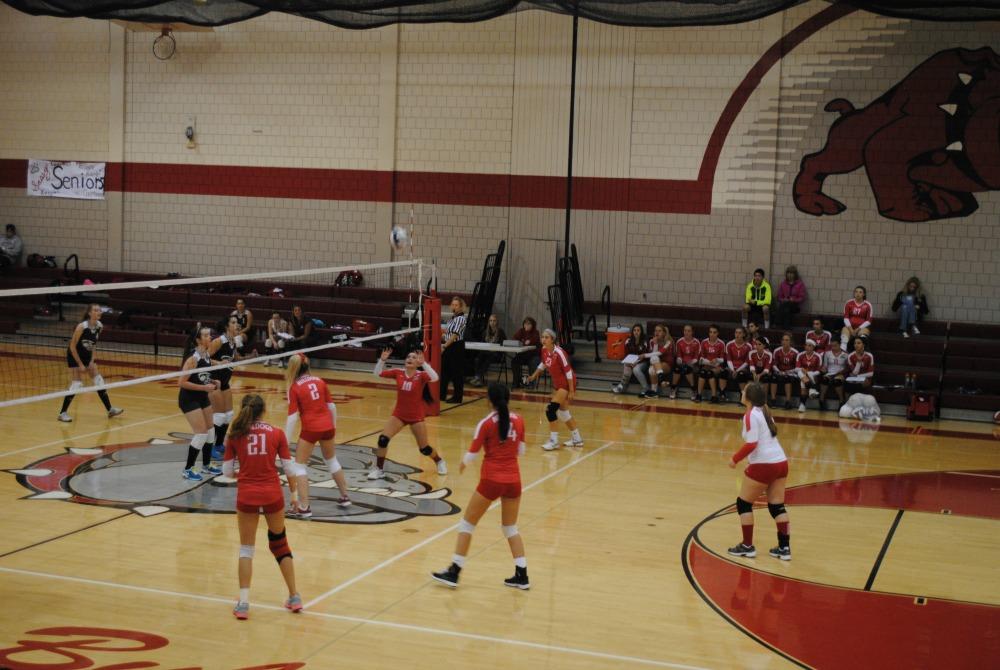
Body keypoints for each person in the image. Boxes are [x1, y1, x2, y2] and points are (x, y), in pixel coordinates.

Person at [431, 383, 529, 590]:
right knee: (510, 528)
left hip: (492, 480)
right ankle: (522, 574)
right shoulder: (519, 420)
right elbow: (521, 451)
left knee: (467, 525)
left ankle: (454, 571)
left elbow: (472, 454)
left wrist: (463, 464)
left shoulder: (486, 423)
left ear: (489, 400)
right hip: (514, 481)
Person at [222, 394, 302, 619]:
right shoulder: (277, 433)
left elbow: (227, 473)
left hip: (247, 495)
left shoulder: (235, 435)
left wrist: (244, 474)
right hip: (272, 495)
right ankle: (294, 596)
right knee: (280, 544)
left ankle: (244, 604)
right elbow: (289, 468)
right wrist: (294, 495)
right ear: (263, 410)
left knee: (246, 549)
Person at [726, 382, 791, 561]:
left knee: (744, 504)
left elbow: (752, 443)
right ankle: (784, 548)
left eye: (744, 390)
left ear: (749, 397)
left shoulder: (750, 415)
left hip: (765, 465)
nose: (741, 391)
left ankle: (747, 546)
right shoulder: (765, 411)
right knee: (777, 506)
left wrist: (735, 459)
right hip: (781, 462)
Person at [284, 353, 352, 517]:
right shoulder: (320, 381)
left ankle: (305, 507)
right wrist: (333, 427)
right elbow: (332, 407)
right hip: (327, 426)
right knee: (331, 460)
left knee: (299, 466)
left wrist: (285, 441)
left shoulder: (295, 387)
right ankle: (345, 496)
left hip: (311, 428)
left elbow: (292, 418)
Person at [371, 347, 447, 478]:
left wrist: (424, 363)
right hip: (399, 415)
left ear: (417, 363)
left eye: (413, 357)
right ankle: (379, 469)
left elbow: (435, 378)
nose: (410, 359)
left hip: (416, 416)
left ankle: (439, 461)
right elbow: (377, 374)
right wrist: (382, 360)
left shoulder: (421, 375)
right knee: (383, 440)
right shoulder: (398, 372)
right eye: (408, 357)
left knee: (424, 449)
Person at [57, 304, 124, 422]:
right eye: (96, 310)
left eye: (99, 310)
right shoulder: (81, 327)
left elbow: (93, 345)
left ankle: (110, 410)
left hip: (87, 355)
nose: (99, 312)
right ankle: (62, 413)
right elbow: (72, 347)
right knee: (77, 384)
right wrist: (81, 364)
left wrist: (92, 360)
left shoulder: (99, 326)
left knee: (99, 381)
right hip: (74, 355)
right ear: (89, 313)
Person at [525, 329, 582, 450]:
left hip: (566, 383)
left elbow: (568, 372)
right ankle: (577, 439)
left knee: (550, 410)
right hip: (558, 384)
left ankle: (554, 441)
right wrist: (534, 375)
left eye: (546, 337)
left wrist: (572, 390)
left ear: (552, 340)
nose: (543, 340)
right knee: (563, 413)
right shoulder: (544, 350)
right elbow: (544, 363)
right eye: (542, 337)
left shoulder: (560, 353)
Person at [178, 324, 221, 481]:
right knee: (201, 433)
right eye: (206, 335)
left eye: (209, 335)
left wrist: (214, 382)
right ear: (198, 340)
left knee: (211, 431)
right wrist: (204, 388)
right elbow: (181, 382)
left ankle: (206, 465)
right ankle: (188, 469)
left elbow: (203, 377)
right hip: (188, 399)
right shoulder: (193, 359)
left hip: (202, 397)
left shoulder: (207, 355)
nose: (210, 337)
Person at [208, 317, 256, 460]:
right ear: (226, 327)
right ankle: (208, 447)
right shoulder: (218, 341)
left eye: (238, 323)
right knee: (218, 416)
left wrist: (251, 356)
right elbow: (203, 358)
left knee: (228, 415)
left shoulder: (233, 342)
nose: (237, 325)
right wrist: (218, 363)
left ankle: (218, 444)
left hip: (225, 382)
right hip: (213, 381)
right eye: (233, 323)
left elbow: (236, 359)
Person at [440, 297, 468, 403]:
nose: (454, 307)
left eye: (456, 305)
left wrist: (444, 346)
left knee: (457, 372)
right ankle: (441, 395)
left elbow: (455, 335)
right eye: (453, 304)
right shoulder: (452, 318)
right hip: (449, 345)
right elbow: (447, 334)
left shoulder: (461, 318)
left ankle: (457, 397)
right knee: (444, 371)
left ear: (461, 307)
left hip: (456, 347)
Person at [611, 323, 650, 397]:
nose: (636, 332)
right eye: (634, 330)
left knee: (636, 369)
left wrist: (636, 362)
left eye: (638, 330)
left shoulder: (645, 341)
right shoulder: (628, 341)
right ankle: (622, 386)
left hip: (643, 362)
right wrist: (629, 362)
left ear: (641, 332)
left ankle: (646, 388)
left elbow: (646, 356)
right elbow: (626, 355)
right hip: (632, 361)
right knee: (627, 366)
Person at [470, 314, 507, 387]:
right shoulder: (485, 332)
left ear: (497, 322)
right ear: (488, 322)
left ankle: (478, 377)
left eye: (494, 321)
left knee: (488, 358)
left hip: (497, 354)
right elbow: (482, 344)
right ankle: (478, 378)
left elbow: (504, 344)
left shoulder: (500, 332)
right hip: (486, 353)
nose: (492, 322)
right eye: (490, 321)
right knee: (478, 359)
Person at [670, 324, 701, 400]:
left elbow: (697, 357)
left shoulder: (696, 342)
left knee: (687, 368)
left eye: (688, 331)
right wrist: (679, 360)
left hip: (693, 364)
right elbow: (679, 355)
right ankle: (673, 389)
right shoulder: (679, 342)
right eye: (685, 331)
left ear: (692, 332)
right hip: (682, 364)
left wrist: (691, 362)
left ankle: (694, 390)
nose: (686, 332)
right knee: (677, 368)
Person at [697, 325, 727, 403]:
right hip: (707, 364)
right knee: (703, 372)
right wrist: (706, 361)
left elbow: (722, 359)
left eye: (714, 332)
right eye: (710, 332)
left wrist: (716, 360)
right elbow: (701, 358)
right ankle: (699, 395)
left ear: (718, 333)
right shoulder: (704, 342)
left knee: (710, 373)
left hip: (717, 366)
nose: (712, 334)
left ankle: (714, 396)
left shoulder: (721, 343)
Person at [770, 333, 799, 410]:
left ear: (790, 342)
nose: (784, 342)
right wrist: (779, 371)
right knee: (773, 377)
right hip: (779, 371)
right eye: (783, 340)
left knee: (787, 378)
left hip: (791, 373)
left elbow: (797, 367)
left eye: (787, 340)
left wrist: (787, 372)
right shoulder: (777, 351)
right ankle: (773, 400)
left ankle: (788, 402)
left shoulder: (795, 352)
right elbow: (774, 364)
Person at [511, 317, 541, 389]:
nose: (526, 325)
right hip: (523, 355)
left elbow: (532, 341)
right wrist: (524, 341)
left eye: (529, 324)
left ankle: (531, 383)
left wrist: (523, 341)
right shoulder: (521, 331)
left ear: (533, 325)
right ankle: (516, 382)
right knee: (514, 361)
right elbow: (514, 339)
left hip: (534, 355)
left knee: (533, 363)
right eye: (525, 323)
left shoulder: (536, 332)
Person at [645, 323, 674, 398]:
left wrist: (644, 355)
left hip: (667, 364)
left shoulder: (668, 342)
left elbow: (660, 353)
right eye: (655, 331)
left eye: (659, 331)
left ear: (664, 333)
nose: (657, 333)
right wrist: (655, 344)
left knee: (654, 360)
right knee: (651, 369)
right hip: (656, 363)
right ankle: (655, 391)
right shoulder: (652, 341)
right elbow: (653, 357)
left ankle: (656, 388)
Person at [819, 339, 849, 409]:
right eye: (832, 346)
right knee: (824, 379)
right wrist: (823, 369)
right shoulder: (827, 353)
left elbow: (847, 368)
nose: (833, 348)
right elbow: (825, 366)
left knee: (837, 381)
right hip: (830, 373)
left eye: (835, 346)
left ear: (839, 345)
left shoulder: (845, 354)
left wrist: (841, 372)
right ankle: (821, 400)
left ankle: (841, 401)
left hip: (840, 373)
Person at [794, 339, 823, 412]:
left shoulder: (818, 356)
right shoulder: (800, 355)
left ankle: (802, 405)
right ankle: (812, 389)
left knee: (803, 382)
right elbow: (796, 368)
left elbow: (819, 371)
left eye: (809, 345)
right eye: (806, 345)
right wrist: (802, 369)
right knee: (800, 372)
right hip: (801, 374)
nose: (807, 347)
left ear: (813, 347)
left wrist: (810, 373)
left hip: (813, 376)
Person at [841, 286, 873, 350]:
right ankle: (843, 355)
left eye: (860, 292)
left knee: (863, 337)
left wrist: (858, 329)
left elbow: (869, 320)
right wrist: (851, 330)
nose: (858, 294)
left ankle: (862, 353)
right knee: (844, 337)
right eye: (856, 292)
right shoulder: (849, 303)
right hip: (850, 327)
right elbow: (846, 318)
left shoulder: (868, 305)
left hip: (862, 328)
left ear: (864, 294)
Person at [726, 327, 753, 397]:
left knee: (741, 374)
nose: (737, 335)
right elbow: (729, 359)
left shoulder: (748, 346)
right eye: (736, 332)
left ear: (744, 334)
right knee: (723, 372)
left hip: (742, 368)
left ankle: (743, 396)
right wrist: (733, 370)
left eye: (739, 333)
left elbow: (747, 362)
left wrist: (737, 371)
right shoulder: (729, 344)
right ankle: (722, 393)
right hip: (732, 367)